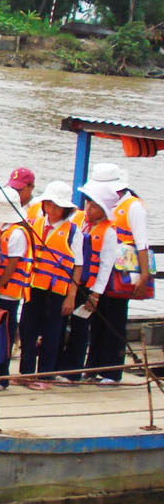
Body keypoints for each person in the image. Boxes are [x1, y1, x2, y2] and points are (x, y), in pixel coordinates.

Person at [92, 163, 151, 382]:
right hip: (103, 269)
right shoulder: (108, 205)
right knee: (99, 317)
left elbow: (142, 242)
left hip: (121, 273)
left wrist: (144, 275)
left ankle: (112, 371)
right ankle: (95, 366)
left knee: (115, 318)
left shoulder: (133, 206)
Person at [18, 181, 80, 390]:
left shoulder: (73, 232)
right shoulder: (34, 223)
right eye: (48, 205)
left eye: (56, 206)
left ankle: (45, 374)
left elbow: (77, 266)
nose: (51, 210)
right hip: (33, 286)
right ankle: (26, 372)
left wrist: (71, 296)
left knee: (52, 333)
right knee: (27, 329)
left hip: (57, 290)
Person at [0, 187, 33, 390]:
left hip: (7, 292)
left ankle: (1, 376)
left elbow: (12, 265)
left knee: (4, 334)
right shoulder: (1, 229)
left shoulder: (17, 233)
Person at [74, 180, 123, 383]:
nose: (89, 209)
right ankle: (87, 367)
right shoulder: (82, 223)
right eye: (88, 204)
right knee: (81, 327)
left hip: (93, 286)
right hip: (77, 282)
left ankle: (106, 370)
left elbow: (106, 265)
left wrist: (95, 294)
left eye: (94, 206)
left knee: (91, 327)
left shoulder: (109, 232)